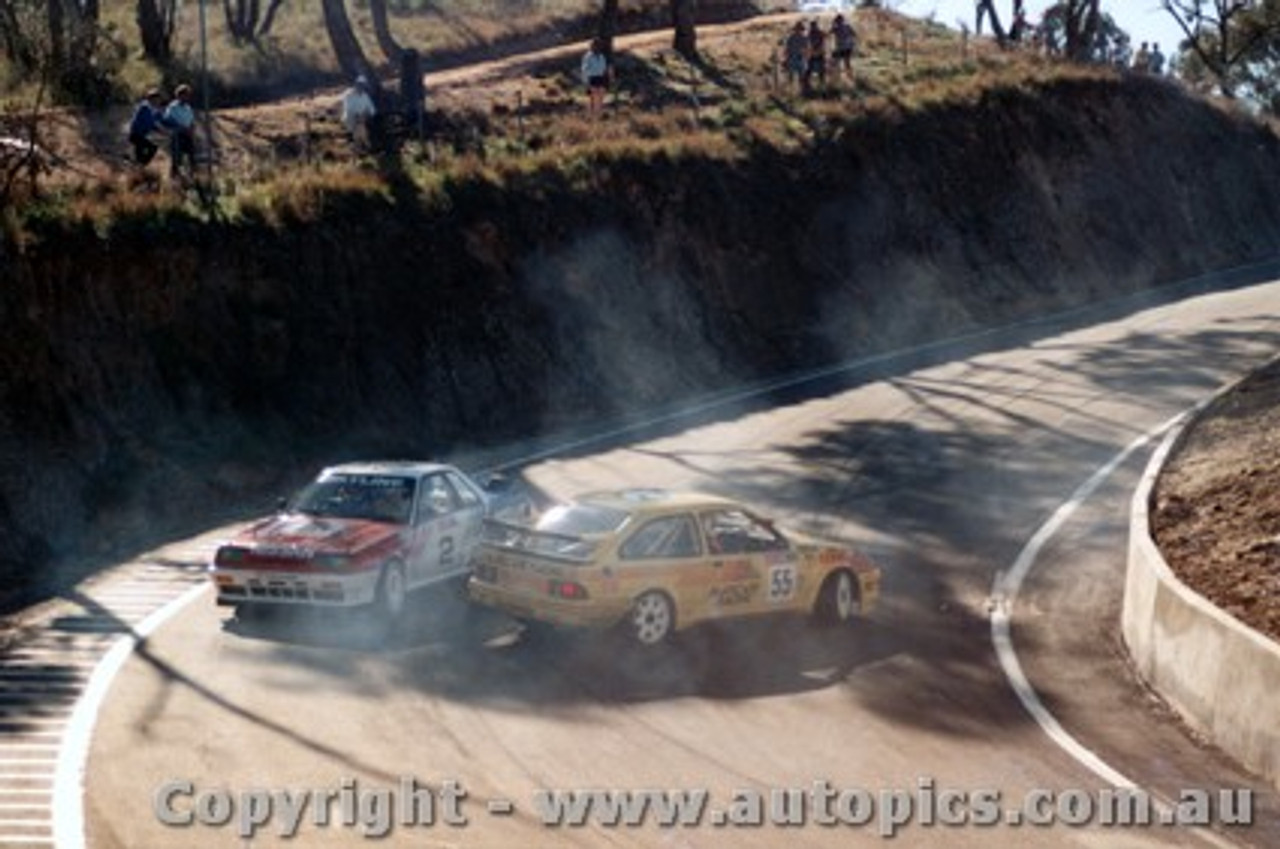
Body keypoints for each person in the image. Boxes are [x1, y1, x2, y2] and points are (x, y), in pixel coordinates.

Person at [162, 84, 197, 180]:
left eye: (187, 95)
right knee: (177, 159)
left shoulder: (188, 108)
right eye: (184, 95)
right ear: (178, 95)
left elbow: (192, 121)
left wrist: (192, 130)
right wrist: (179, 127)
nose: (186, 97)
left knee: (192, 157)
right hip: (177, 135)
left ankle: (192, 178)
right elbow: (167, 120)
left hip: (188, 135)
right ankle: (173, 179)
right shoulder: (172, 107)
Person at [127, 89, 165, 166]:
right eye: (158, 99)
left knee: (141, 156)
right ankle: (139, 167)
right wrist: (159, 130)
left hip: (141, 135)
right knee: (152, 148)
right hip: (136, 135)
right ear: (152, 99)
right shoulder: (145, 107)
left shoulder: (153, 109)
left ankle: (136, 167)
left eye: (159, 100)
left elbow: (161, 119)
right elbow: (149, 123)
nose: (159, 101)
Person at [341, 75, 377, 151]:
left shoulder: (365, 96)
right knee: (357, 127)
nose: (361, 87)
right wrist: (358, 115)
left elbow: (372, 109)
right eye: (359, 85)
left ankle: (363, 145)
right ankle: (358, 143)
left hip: (363, 119)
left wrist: (367, 114)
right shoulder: (349, 95)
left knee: (363, 127)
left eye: (363, 86)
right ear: (356, 85)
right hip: (351, 119)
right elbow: (348, 108)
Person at [581, 38, 610, 117]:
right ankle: (592, 114)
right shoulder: (588, 56)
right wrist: (586, 81)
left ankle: (598, 113)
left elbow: (604, 67)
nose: (597, 47)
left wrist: (606, 76)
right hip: (591, 78)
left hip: (600, 78)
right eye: (595, 46)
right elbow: (584, 69)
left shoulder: (601, 56)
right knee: (594, 97)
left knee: (601, 96)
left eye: (598, 46)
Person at [802, 19, 827, 97]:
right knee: (813, 73)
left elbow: (823, 41)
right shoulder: (812, 34)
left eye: (813, 26)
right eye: (812, 26)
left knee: (818, 72)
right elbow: (806, 44)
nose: (813, 27)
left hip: (817, 54)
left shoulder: (813, 34)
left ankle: (820, 88)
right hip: (815, 55)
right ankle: (811, 88)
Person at [830, 15, 857, 86]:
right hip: (848, 47)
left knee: (836, 63)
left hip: (840, 48)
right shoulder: (848, 26)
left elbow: (828, 33)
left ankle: (838, 79)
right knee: (847, 63)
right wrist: (851, 43)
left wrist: (832, 24)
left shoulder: (835, 28)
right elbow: (854, 34)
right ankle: (850, 78)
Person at [782, 22, 807, 94]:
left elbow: (786, 49)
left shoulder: (791, 37)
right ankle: (797, 91)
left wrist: (786, 59)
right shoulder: (803, 38)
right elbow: (806, 49)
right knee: (798, 77)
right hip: (797, 58)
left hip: (794, 58)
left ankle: (793, 91)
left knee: (794, 76)